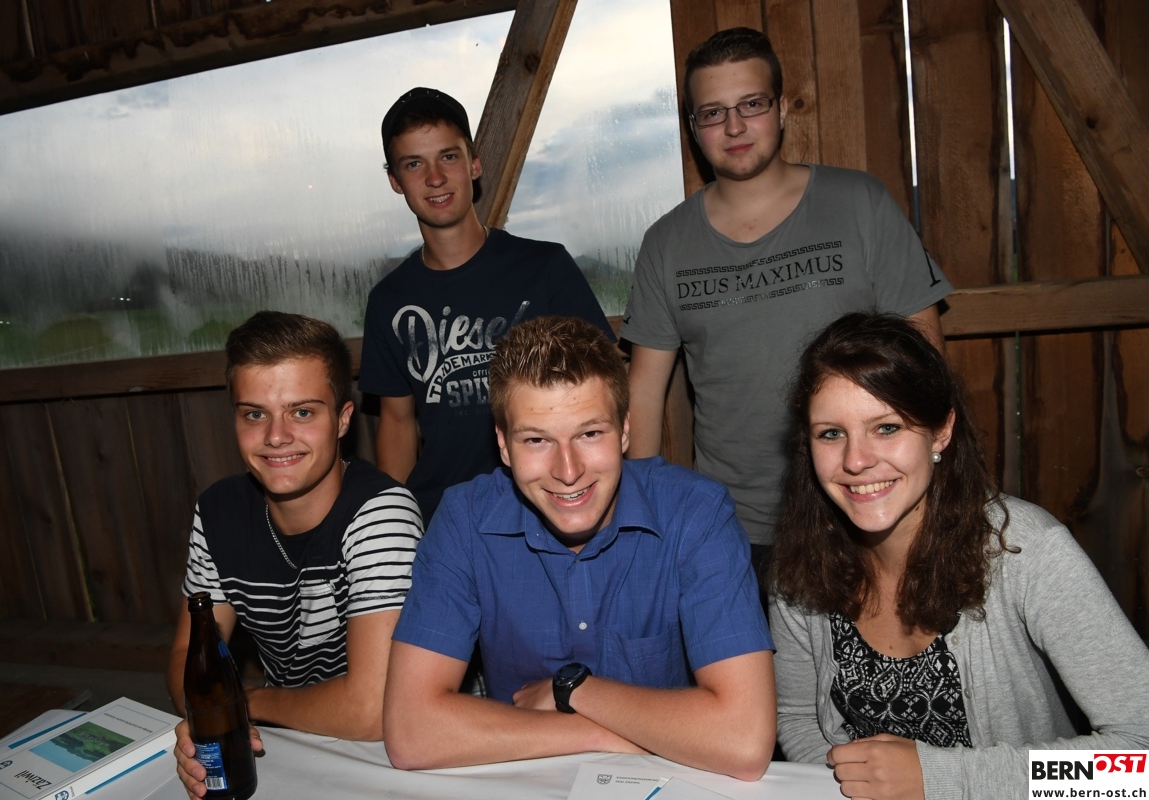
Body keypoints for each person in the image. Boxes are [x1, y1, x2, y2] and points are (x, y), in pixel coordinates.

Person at [769, 312, 1149, 799]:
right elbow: (799, 718)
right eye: (831, 433)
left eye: (886, 427)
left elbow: (1138, 760)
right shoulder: (799, 567)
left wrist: (941, 779)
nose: (856, 460)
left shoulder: (1029, 551)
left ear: (941, 431)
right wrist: (845, 786)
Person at [383, 315, 776, 779]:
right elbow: (411, 732)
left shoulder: (696, 514)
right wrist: (604, 735)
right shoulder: (465, 521)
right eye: (536, 440)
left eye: (590, 434)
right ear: (503, 446)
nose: (567, 471)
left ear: (625, 431)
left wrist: (573, 691)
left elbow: (743, 740)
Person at [621, 27, 953, 558]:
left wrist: (935, 478)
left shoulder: (861, 204)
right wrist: (638, 518)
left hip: (863, 507)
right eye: (712, 112)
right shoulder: (665, 243)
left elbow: (924, 356)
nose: (733, 126)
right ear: (693, 127)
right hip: (732, 528)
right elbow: (643, 390)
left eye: (751, 104)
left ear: (780, 110)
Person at [166, 311, 423, 799]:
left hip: (403, 752)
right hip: (293, 740)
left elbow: (372, 709)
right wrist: (210, 716)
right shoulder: (218, 512)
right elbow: (185, 658)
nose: (276, 436)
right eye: (254, 414)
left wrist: (241, 705)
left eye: (302, 412)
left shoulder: (381, 512)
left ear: (343, 420)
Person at [360, 87, 614, 523]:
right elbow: (397, 424)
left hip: (549, 505)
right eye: (414, 164)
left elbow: (607, 388)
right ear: (395, 181)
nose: (435, 178)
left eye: (448, 157)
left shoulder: (546, 268)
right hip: (445, 518)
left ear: (474, 164)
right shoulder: (389, 301)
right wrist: (394, 525)